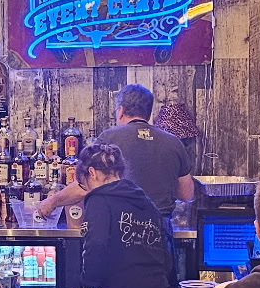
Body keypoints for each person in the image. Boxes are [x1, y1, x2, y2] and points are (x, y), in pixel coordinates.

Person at [42, 84, 196, 218]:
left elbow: (84, 186)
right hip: (160, 233)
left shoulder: (109, 138)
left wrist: (51, 202)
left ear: (121, 110)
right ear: (148, 113)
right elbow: (187, 195)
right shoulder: (173, 142)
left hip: (120, 230)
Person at [72, 143, 177, 288]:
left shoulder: (99, 199)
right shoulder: (146, 201)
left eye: (84, 184)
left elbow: (96, 244)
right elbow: (167, 248)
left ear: (92, 173)